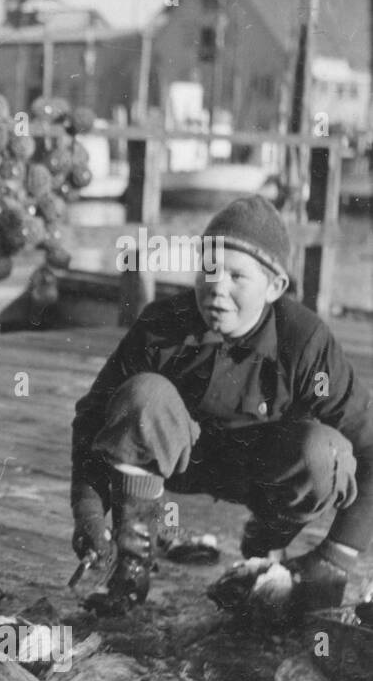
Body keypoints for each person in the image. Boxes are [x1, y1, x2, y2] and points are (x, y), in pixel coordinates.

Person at [71, 195, 371, 617]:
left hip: (264, 471)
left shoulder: (306, 343)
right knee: (144, 396)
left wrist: (337, 557)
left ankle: (264, 549)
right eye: (209, 268)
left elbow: (371, 447)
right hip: (177, 464)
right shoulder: (162, 323)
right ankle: (132, 562)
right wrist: (87, 508)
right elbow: (92, 415)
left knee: (325, 454)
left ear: (275, 287)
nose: (217, 287)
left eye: (236, 276)